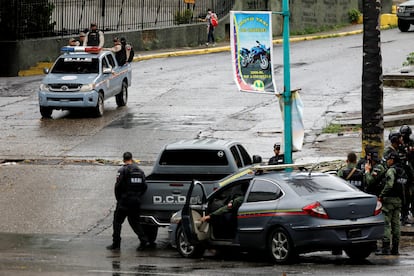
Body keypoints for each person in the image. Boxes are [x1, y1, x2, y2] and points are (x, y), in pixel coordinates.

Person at [107, 152, 151, 251]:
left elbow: (117, 186)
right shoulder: (140, 171)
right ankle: (144, 240)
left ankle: (116, 244)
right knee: (135, 222)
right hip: (135, 201)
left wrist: (119, 199)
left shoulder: (122, 170)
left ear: (123, 159)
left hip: (124, 201)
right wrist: (138, 196)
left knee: (117, 222)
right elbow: (144, 186)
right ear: (132, 158)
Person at [377, 151, 407, 255]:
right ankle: (395, 248)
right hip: (399, 201)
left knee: (386, 224)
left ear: (392, 160)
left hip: (389, 200)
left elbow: (389, 184)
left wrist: (381, 195)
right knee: (396, 224)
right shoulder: (403, 171)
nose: (387, 161)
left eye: (388, 159)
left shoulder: (391, 171)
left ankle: (385, 248)